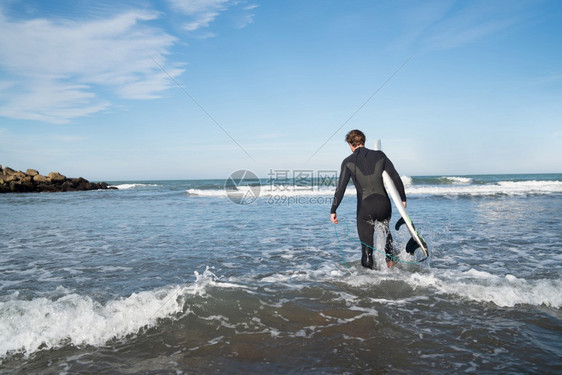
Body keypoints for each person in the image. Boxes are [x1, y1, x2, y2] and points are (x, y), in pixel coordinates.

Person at [330, 129, 407, 269]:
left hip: (365, 208)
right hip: (384, 205)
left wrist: (333, 209)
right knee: (386, 233)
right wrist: (402, 198)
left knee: (367, 249)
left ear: (350, 144)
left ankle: (368, 282)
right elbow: (395, 177)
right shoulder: (380, 155)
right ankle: (391, 267)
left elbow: (340, 188)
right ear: (363, 141)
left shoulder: (347, 162)